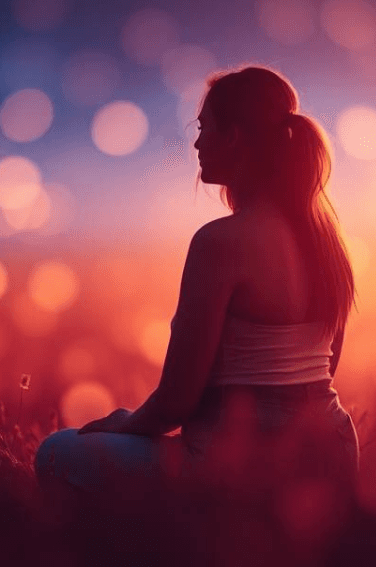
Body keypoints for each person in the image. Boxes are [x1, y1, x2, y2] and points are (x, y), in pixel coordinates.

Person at [34, 65, 359, 509]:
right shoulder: (325, 243)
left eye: (206, 129)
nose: (197, 143)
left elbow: (177, 401)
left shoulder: (220, 243)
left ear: (236, 137)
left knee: (56, 453)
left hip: (242, 463)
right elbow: (324, 371)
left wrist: (122, 424)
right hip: (332, 452)